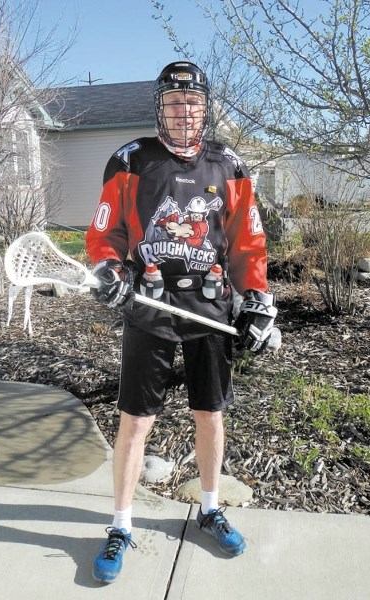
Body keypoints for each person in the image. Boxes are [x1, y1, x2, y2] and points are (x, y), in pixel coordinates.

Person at [86, 61, 277, 584]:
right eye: (174, 103)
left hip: (210, 312)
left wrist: (256, 295)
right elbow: (107, 235)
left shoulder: (230, 166)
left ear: (206, 106)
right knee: (136, 421)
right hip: (149, 308)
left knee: (210, 415)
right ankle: (120, 524)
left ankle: (210, 507)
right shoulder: (131, 160)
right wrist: (110, 269)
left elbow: (247, 244)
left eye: (192, 103)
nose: (184, 112)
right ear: (160, 108)